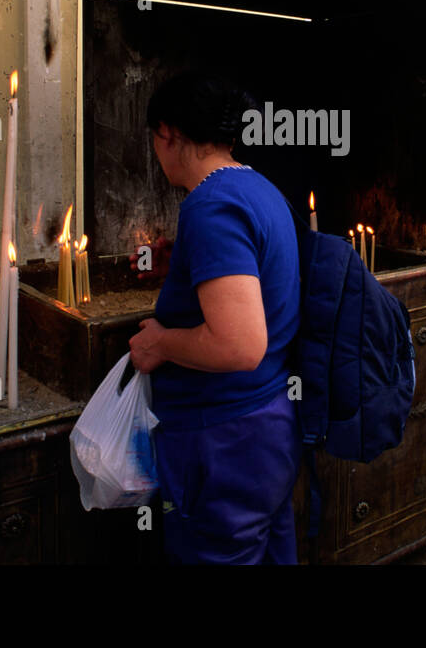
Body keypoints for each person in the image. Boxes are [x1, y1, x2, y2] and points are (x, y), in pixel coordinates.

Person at [126, 71, 303, 564]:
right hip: (267, 430)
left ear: (166, 133)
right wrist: (183, 261)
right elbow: (252, 278)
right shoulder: (259, 188)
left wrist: (160, 343)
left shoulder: (210, 206)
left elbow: (239, 344)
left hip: (222, 442)